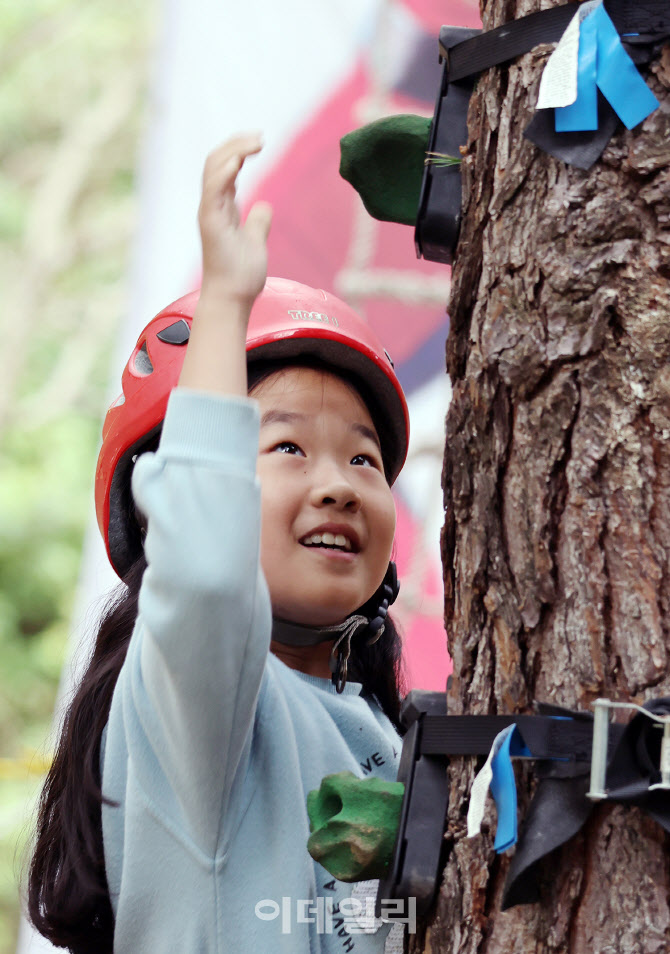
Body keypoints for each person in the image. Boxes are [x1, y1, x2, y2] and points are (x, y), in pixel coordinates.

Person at [28, 134, 410, 953]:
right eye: (286, 448)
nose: (338, 483)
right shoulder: (196, 712)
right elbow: (205, 570)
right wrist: (227, 302)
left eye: (362, 457)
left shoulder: (380, 729)